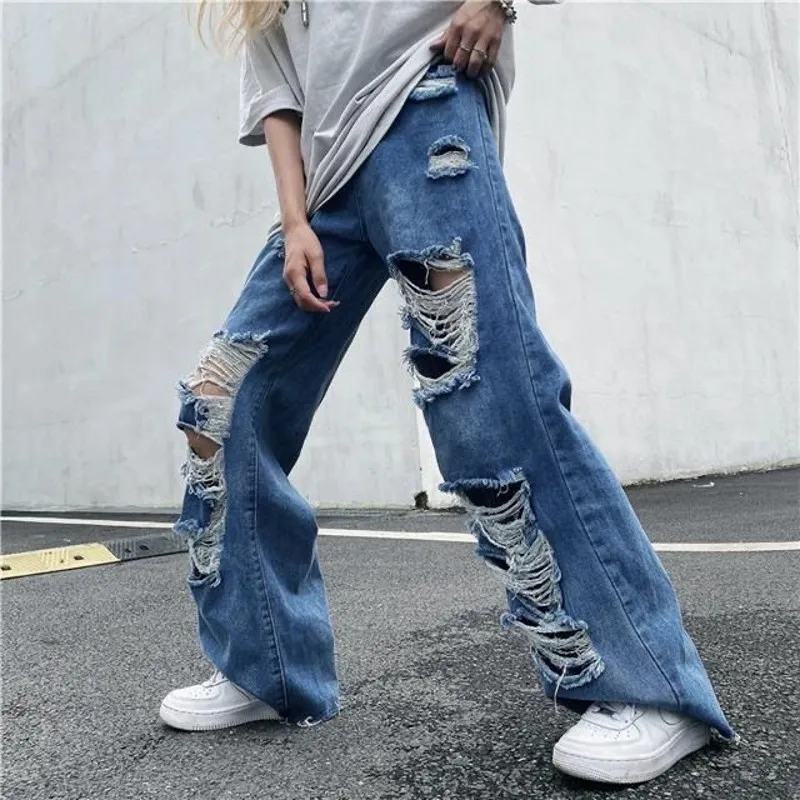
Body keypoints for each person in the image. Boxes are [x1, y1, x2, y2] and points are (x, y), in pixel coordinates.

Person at [160, 0, 736, 784]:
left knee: (483, 391)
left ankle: (651, 685)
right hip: (325, 192)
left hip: (423, 110)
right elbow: (280, 98)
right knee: (221, 402)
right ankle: (267, 668)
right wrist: (293, 222)